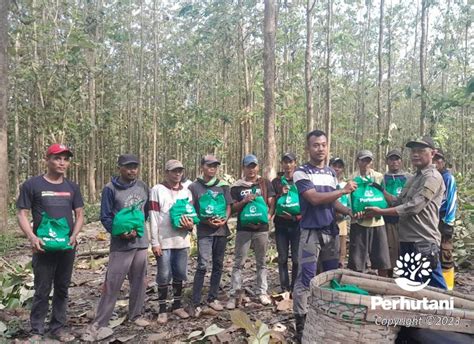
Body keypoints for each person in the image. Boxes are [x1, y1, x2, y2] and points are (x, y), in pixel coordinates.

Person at [292, 131, 356, 343]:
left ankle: (328, 321)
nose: (320, 149)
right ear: (308, 148)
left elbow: (332, 202)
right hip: (311, 233)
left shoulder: (330, 172)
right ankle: (300, 325)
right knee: (306, 279)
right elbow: (315, 199)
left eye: (323, 145)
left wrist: (348, 212)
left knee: (330, 277)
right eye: (315, 145)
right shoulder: (301, 172)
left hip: (331, 232)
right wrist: (343, 191)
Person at [17, 144, 84, 342]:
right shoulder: (32, 185)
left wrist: (74, 235)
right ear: (47, 160)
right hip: (43, 247)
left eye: (65, 158)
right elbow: (22, 213)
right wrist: (32, 236)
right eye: (57, 158)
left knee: (62, 287)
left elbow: (79, 214)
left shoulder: (72, 187)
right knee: (42, 288)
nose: (62, 162)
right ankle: (37, 330)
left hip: (66, 247)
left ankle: (58, 327)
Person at [366, 136, 447, 289]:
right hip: (407, 240)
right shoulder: (413, 178)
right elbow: (399, 201)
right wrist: (382, 192)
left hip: (423, 241)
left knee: (436, 289)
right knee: (412, 287)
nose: (416, 154)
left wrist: (382, 211)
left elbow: (414, 207)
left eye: (421, 151)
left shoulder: (432, 177)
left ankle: (451, 312)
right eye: (413, 151)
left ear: (433, 153)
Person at [85, 154, 150, 340]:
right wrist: (119, 232)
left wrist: (136, 229)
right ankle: (100, 322)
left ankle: (135, 314)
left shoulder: (143, 186)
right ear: (119, 168)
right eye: (128, 167)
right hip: (121, 244)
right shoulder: (110, 188)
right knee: (112, 283)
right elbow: (105, 216)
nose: (132, 170)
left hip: (141, 242)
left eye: (135, 167)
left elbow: (144, 214)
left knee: (139, 280)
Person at [226, 154, 275, 309]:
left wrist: (269, 215)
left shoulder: (264, 183)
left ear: (258, 167)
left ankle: (261, 292)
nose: (251, 169)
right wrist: (244, 201)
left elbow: (272, 201)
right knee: (238, 262)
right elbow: (232, 209)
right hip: (243, 230)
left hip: (261, 229)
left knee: (261, 262)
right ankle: (235, 294)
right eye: (248, 166)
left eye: (253, 166)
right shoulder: (236, 187)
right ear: (244, 168)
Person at [150, 160, 194, 324]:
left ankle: (177, 305)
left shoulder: (187, 192)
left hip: (181, 240)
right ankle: (162, 309)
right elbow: (153, 217)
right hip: (164, 240)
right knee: (163, 275)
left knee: (180, 274)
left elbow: (190, 214)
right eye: (174, 171)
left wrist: (191, 228)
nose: (177, 174)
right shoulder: (157, 190)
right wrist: (154, 242)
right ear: (166, 172)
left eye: (180, 171)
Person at [188, 155, 233, 317]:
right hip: (204, 232)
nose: (212, 168)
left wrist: (224, 220)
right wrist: (204, 222)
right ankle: (195, 301)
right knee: (202, 265)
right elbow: (191, 209)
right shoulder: (194, 187)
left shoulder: (223, 186)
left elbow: (229, 206)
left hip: (221, 231)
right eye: (209, 165)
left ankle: (213, 297)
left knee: (218, 265)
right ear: (202, 167)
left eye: (215, 166)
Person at [347, 150, 391, 277]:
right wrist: (353, 212)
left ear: (372, 162)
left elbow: (383, 196)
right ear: (358, 161)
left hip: (377, 222)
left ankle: (383, 287)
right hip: (359, 223)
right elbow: (349, 199)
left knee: (382, 259)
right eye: (363, 160)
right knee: (357, 261)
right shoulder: (352, 178)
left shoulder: (379, 177)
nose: (366, 163)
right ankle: (360, 286)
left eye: (368, 160)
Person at [272, 153, 301, 292]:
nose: (288, 165)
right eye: (285, 162)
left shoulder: (301, 180)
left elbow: (307, 201)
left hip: (297, 225)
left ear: (295, 163)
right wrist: (280, 195)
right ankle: (284, 288)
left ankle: (295, 287)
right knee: (282, 258)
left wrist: (296, 218)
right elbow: (272, 202)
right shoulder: (276, 182)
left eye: (290, 162)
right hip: (281, 225)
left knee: (296, 259)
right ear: (282, 164)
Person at [382, 149, 410, 277]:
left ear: (401, 161)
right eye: (391, 159)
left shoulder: (409, 178)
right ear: (387, 161)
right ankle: (388, 276)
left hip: (405, 220)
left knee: (404, 249)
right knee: (388, 250)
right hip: (387, 219)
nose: (394, 162)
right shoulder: (382, 178)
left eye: (397, 159)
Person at [433, 148, 457, 290]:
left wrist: (449, 222)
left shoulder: (448, 178)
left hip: (443, 219)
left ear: (443, 162)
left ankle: (448, 287)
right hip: (432, 218)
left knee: (445, 253)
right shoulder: (432, 176)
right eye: (434, 160)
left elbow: (451, 200)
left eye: (439, 160)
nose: (436, 163)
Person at [329, 157, 350, 268]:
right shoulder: (326, 183)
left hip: (341, 220)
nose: (337, 168)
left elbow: (349, 203)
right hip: (328, 220)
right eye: (334, 165)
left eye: (339, 166)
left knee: (341, 249)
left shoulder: (346, 185)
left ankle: (340, 268)